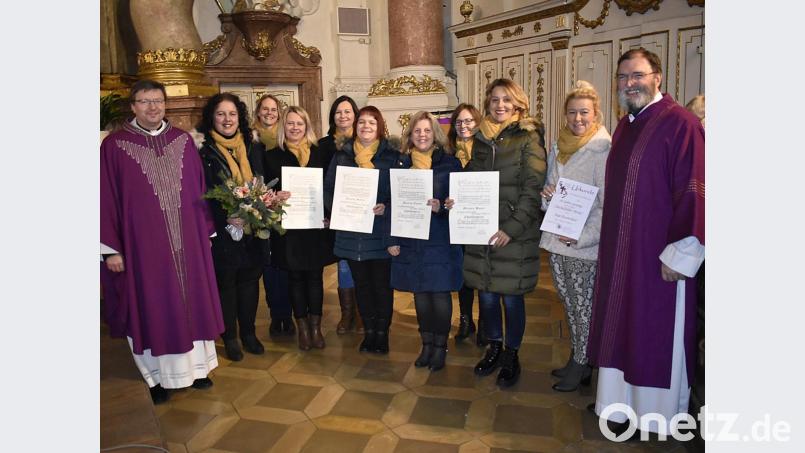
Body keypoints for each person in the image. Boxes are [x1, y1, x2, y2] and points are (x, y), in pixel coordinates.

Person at [587, 48, 705, 435]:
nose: (629, 83)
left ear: (657, 77)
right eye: (623, 77)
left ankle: (656, 417)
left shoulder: (681, 124)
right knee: (619, 327)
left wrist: (683, 254)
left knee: (654, 333)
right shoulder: (626, 126)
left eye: (637, 75)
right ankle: (618, 406)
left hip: (660, 258)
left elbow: (696, 192)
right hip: (621, 254)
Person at [100, 79, 224, 404]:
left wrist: (205, 232)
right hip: (143, 250)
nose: (152, 107)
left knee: (193, 302)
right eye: (144, 101)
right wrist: (111, 249)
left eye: (158, 101)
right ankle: (155, 377)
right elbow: (104, 199)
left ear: (165, 104)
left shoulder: (183, 141)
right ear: (133, 106)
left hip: (188, 244)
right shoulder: (114, 146)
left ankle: (197, 371)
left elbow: (200, 190)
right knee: (153, 304)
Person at [447, 78, 547, 387]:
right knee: (487, 297)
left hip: (512, 235)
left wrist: (510, 229)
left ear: (518, 103)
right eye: (494, 100)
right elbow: (471, 181)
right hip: (482, 231)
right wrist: (457, 201)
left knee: (511, 299)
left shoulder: (529, 138)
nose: (500, 105)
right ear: (488, 104)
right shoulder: (479, 139)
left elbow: (533, 190)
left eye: (506, 100)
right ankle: (494, 347)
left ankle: (511, 355)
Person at [538, 81, 611, 392]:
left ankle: (583, 364)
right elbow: (549, 193)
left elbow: (607, 206)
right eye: (572, 113)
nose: (578, 119)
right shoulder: (559, 146)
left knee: (584, 307)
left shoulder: (602, 150)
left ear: (595, 114)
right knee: (568, 304)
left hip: (582, 247)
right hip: (557, 241)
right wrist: (547, 195)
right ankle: (576, 357)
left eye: (584, 112)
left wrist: (581, 238)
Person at [324, 106, 403, 354]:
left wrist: (386, 207)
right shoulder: (342, 156)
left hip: (380, 233)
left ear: (380, 127)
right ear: (355, 127)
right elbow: (328, 189)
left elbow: (400, 193)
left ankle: (383, 334)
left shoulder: (391, 156)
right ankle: (369, 333)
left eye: (371, 122)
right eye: (362, 123)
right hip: (351, 234)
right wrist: (336, 208)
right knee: (362, 287)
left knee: (381, 286)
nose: (366, 126)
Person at [388, 111, 463, 371]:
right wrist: (393, 238)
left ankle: (441, 347)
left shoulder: (450, 164)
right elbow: (392, 203)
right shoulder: (400, 164)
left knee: (440, 294)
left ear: (435, 134)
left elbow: (459, 203)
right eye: (417, 130)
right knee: (420, 294)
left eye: (427, 130)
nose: (422, 135)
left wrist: (441, 207)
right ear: (410, 134)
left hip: (440, 238)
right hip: (411, 238)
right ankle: (426, 345)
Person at [258, 106, 337, 350]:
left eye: (299, 124)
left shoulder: (320, 154)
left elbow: (328, 188)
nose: (295, 128)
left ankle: (316, 327)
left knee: (314, 278)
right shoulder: (272, 156)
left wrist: (327, 216)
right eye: (290, 123)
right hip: (288, 228)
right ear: (284, 127)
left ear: (307, 127)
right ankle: (302, 326)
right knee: (294, 278)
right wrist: (274, 196)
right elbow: (264, 194)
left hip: (315, 227)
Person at [197, 92, 268, 362]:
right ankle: (231, 337)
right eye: (221, 114)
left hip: (252, 229)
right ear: (212, 118)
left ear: (240, 117)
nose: (227, 119)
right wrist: (225, 216)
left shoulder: (252, 146)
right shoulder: (204, 151)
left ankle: (249, 333)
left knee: (250, 282)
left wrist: (264, 203)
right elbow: (200, 192)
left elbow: (262, 180)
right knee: (226, 284)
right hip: (222, 231)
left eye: (232, 114)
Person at [318, 95, 364, 336]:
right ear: (332, 116)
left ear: (355, 116)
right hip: (336, 215)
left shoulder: (365, 142)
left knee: (363, 265)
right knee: (344, 265)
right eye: (338, 112)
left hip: (365, 215)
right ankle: (347, 314)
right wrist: (330, 213)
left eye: (348, 112)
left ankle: (362, 311)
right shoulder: (324, 145)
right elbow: (321, 183)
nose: (343, 116)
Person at [252, 94, 295, 337]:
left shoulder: (285, 141)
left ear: (279, 114)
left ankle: (286, 315)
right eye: (265, 109)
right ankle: (276, 314)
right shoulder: (251, 141)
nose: (269, 113)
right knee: (269, 266)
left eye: (274, 109)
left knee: (285, 263)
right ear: (258, 113)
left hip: (285, 210)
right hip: (261, 210)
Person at [445, 103, 486, 346]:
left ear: (477, 123)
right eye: (459, 122)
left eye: (469, 121)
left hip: (479, 222)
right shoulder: (447, 154)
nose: (464, 126)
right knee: (462, 273)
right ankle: (465, 319)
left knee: (478, 273)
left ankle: (484, 323)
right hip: (455, 223)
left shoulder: (485, 152)